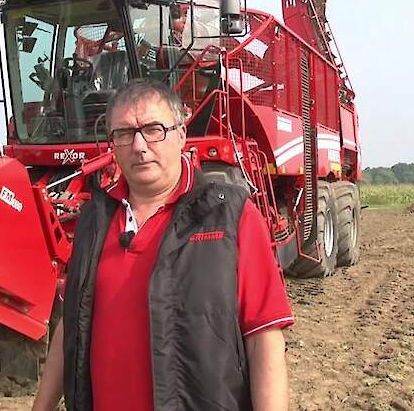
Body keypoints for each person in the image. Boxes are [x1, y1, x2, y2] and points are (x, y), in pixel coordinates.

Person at [32, 78, 294, 411]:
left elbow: (264, 338)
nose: (139, 146)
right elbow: (71, 324)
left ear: (181, 134)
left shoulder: (228, 216)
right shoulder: (93, 221)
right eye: (124, 134)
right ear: (112, 143)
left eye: (154, 130)